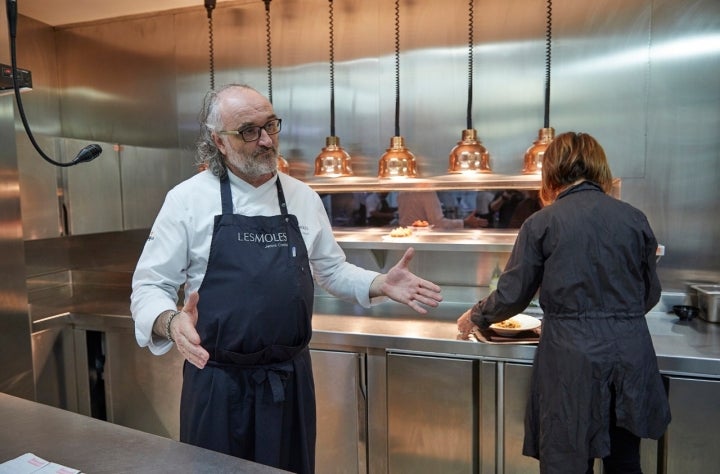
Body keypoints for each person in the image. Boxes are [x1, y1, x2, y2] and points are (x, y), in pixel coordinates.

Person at [130, 84, 443, 474]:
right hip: (218, 386)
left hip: (290, 384)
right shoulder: (186, 200)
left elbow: (331, 269)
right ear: (219, 142)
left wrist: (379, 282)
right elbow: (149, 287)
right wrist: (171, 321)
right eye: (248, 130)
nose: (265, 140)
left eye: (271, 125)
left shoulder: (302, 197)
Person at [456, 132, 670, 473]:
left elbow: (512, 295)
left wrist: (476, 316)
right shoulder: (634, 218)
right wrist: (616, 314)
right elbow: (649, 295)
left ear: (552, 171)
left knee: (568, 463)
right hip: (630, 356)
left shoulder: (541, 222)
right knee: (625, 462)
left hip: (571, 361)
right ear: (599, 167)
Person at [397, 190, 487, 229]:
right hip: (421, 242)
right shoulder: (426, 191)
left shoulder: (402, 191)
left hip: (405, 240)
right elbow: (438, 223)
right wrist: (465, 222)